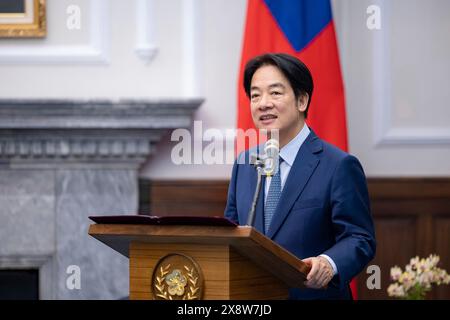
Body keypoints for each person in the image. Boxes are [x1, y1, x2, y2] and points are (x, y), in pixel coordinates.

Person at [224, 53, 376, 300]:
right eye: (255, 95)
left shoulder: (339, 165)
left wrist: (328, 262)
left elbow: (360, 238)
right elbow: (231, 233)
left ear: (302, 100)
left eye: (275, 93)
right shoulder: (244, 163)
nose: (263, 103)